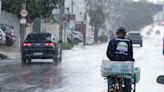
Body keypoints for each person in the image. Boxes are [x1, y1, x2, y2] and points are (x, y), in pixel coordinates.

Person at [106, 27, 134, 92]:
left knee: (111, 75)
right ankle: (128, 90)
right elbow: (130, 53)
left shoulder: (113, 41)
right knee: (127, 77)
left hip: (115, 64)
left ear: (117, 33)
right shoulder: (129, 42)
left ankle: (111, 87)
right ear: (125, 34)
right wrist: (130, 60)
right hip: (125, 66)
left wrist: (113, 59)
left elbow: (108, 53)